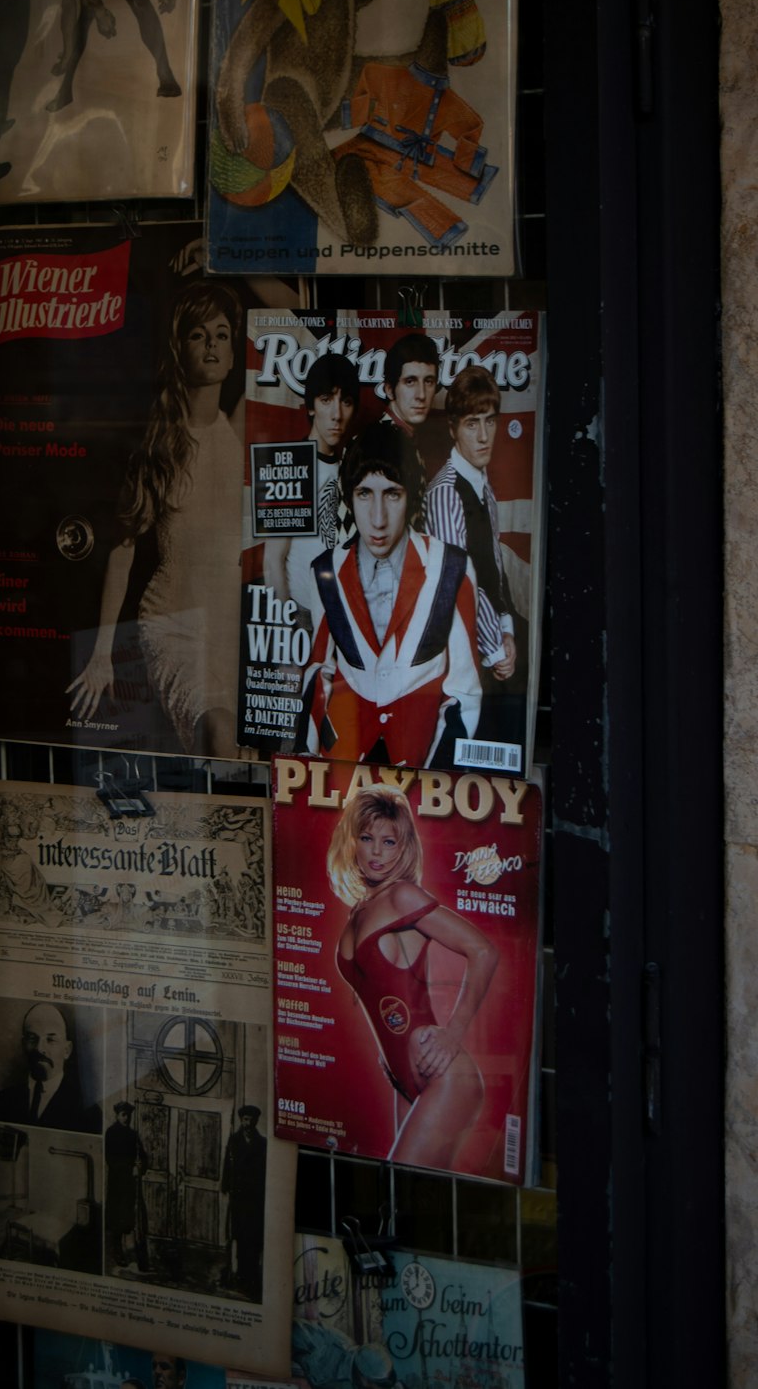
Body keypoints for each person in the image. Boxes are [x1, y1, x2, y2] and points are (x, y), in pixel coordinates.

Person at [68, 281, 244, 756]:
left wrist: (222, 255)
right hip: (173, 626)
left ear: (233, 355)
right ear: (179, 350)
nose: (211, 344)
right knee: (220, 735)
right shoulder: (159, 447)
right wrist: (103, 653)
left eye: (223, 334)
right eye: (198, 335)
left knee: (246, 757)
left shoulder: (248, 429)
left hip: (237, 629)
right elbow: (123, 552)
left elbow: (293, 310)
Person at [328, 786, 498, 1169]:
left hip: (445, 1075)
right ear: (352, 841)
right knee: (405, 1197)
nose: (376, 852)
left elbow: (484, 951)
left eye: (389, 842)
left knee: (406, 1188)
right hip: (403, 1077)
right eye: (367, 838)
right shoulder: (360, 909)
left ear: (403, 847)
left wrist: (453, 1033)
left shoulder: (402, 896)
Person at [300, 420, 481, 767]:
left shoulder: (451, 569)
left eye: (392, 494)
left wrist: (436, 781)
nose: (378, 519)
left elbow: (464, 691)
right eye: (365, 494)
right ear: (350, 497)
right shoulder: (325, 571)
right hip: (344, 765)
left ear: (410, 495)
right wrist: (317, 764)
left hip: (422, 767)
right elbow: (319, 670)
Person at [425, 365, 527, 750]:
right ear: (453, 428)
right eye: (472, 424)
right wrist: (497, 647)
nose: (484, 436)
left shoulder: (483, 486)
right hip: (460, 651)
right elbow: (460, 583)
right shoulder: (447, 492)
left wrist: (508, 628)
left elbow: (494, 571)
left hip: (490, 640)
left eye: (490, 421)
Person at [263, 353, 360, 625]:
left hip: (340, 616)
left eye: (346, 402)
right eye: (326, 400)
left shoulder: (350, 469)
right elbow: (272, 562)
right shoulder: (293, 463)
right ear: (311, 407)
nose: (337, 415)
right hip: (301, 615)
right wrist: (285, 634)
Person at [337, 333, 439, 539]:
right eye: (410, 381)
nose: (421, 394)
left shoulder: (407, 441)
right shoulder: (369, 444)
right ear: (390, 390)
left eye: (428, 381)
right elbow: (350, 537)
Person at [0, 1002, 99, 1131]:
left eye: (51, 1040)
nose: (40, 1049)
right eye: (32, 1039)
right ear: (23, 1044)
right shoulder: (3, 1100)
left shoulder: (88, 1111)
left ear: (67, 1050)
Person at [221, 1104, 267, 1299]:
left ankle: (252, 1278)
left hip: (255, 1199)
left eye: (251, 1120)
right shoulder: (234, 1141)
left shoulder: (262, 1143)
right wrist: (226, 1185)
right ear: (241, 1120)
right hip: (238, 1198)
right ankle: (240, 1276)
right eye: (245, 1120)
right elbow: (227, 1165)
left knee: (253, 1240)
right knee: (238, 1237)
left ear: (256, 1121)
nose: (248, 1123)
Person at [105, 1100, 149, 1267]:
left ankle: (132, 1251)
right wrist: (129, 1167)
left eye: (128, 1115)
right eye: (123, 1115)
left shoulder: (133, 1135)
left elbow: (143, 1156)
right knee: (117, 1220)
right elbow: (111, 1159)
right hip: (118, 1183)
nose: (126, 1118)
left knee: (129, 1218)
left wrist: (141, 1166)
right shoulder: (110, 1133)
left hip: (130, 1185)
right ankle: (118, 1251)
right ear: (117, 1115)